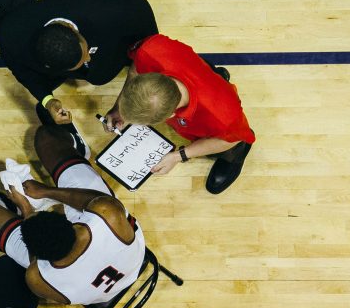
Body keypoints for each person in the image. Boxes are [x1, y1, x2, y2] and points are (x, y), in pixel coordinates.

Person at [0, 124, 145, 306]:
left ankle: (5, 205)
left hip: (107, 274)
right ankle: (76, 147)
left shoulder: (36, 276)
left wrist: (27, 210)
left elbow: (36, 257)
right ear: (69, 223)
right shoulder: (107, 215)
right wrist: (45, 191)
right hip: (128, 258)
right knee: (46, 138)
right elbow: (91, 200)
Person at [103, 34, 256, 194]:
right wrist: (119, 109)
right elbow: (136, 69)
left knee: (231, 146)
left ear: (171, 116)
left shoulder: (223, 117)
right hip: (197, 72)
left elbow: (228, 141)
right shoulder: (148, 51)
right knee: (208, 72)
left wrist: (179, 156)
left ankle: (237, 155)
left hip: (224, 116)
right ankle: (216, 76)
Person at [0, 0, 157, 121]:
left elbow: (140, 6)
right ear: (47, 65)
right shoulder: (9, 36)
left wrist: (144, 58)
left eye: (85, 53)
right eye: (82, 61)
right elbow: (25, 74)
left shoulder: (107, 10)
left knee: (101, 76)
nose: (88, 59)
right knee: (97, 76)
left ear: (72, 29)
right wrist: (48, 101)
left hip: (110, 29)